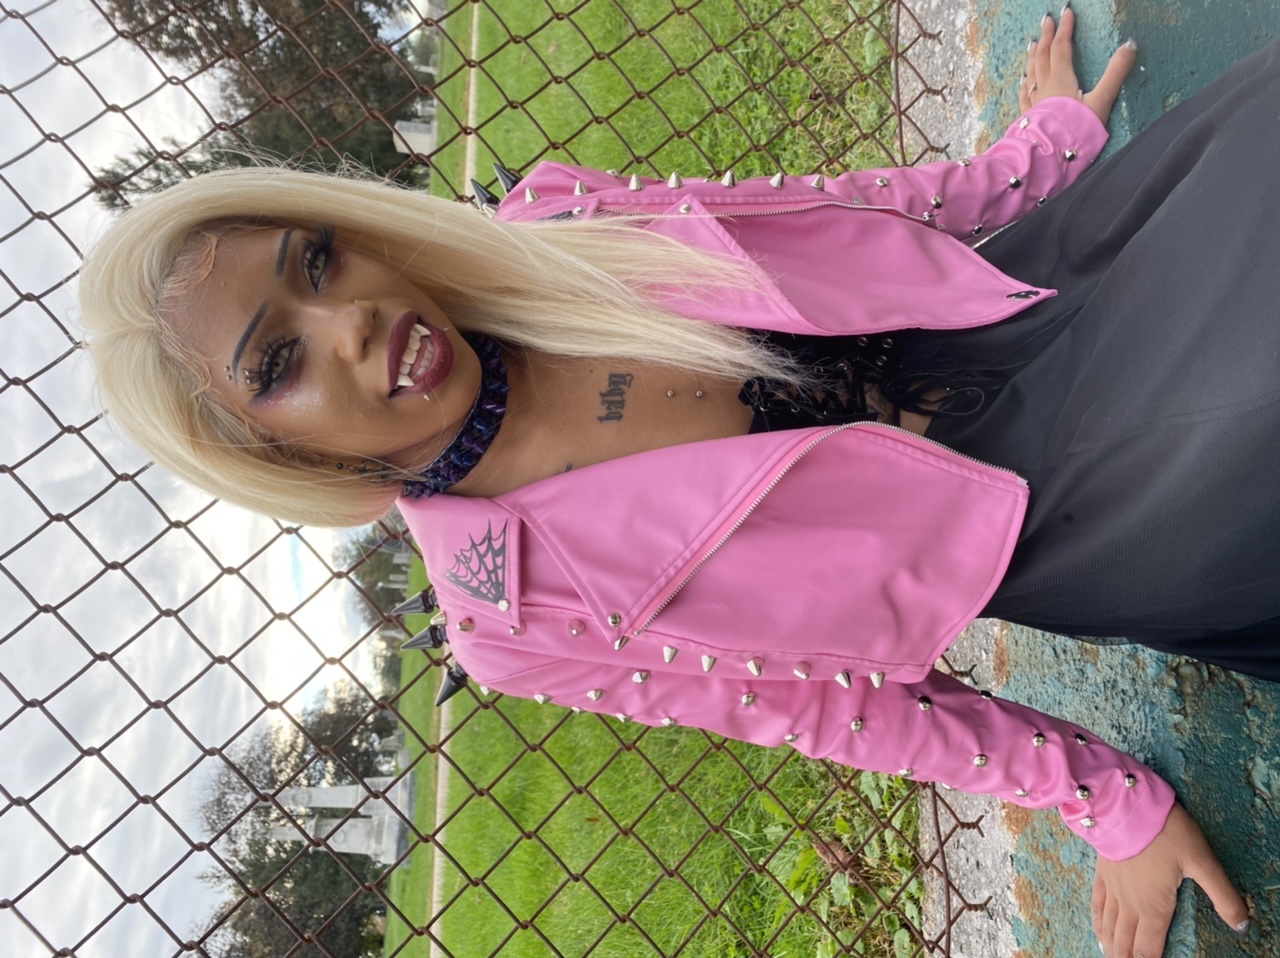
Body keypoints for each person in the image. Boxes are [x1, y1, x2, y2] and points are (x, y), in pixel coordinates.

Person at [78, 8, 1264, 955]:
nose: (349, 321)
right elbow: (841, 707)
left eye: (317, 261)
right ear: (275, 453)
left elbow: (842, 210)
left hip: (1026, 301)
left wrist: (1031, 159)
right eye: (279, 362)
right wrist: (1104, 798)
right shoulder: (512, 618)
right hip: (1058, 513)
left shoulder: (552, 226)